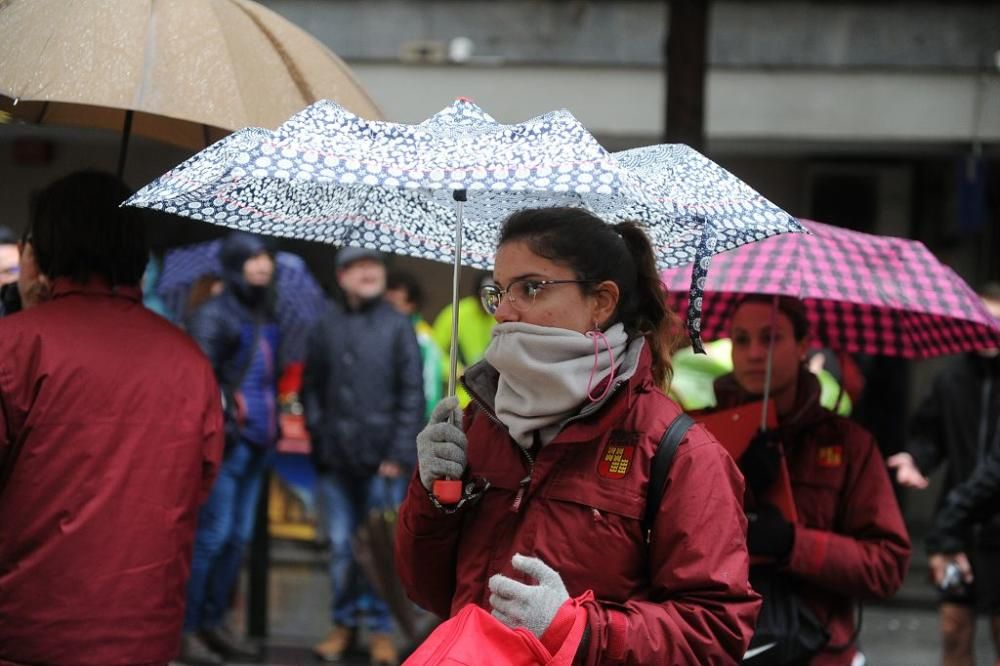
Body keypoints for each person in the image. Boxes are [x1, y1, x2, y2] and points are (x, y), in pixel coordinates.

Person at [397, 207, 760, 664]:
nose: (504, 311)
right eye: (499, 291)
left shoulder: (679, 452)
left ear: (601, 302)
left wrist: (578, 629)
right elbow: (426, 590)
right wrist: (434, 499)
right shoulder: (479, 423)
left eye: (530, 288)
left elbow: (717, 631)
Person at [0, 171, 223, 665]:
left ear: (42, 248)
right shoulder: (189, 362)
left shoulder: (15, 347)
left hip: (25, 632)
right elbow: (198, 484)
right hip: (144, 634)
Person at [709, 294, 910, 665]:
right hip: (720, 646)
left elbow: (886, 566)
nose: (754, 353)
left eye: (771, 338)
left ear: (803, 346)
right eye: (741, 339)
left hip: (817, 650)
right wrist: (734, 483)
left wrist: (793, 543)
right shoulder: (698, 434)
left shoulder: (849, 444)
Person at [304, 247, 424, 665]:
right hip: (335, 459)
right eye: (358, 265)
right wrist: (319, 437)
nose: (369, 271)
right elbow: (311, 389)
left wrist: (397, 451)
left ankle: (380, 630)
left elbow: (413, 394)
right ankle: (342, 624)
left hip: (384, 463)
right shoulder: (324, 325)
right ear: (341, 276)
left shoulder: (398, 326)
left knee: (380, 547)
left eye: (374, 264)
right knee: (340, 547)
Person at [181, 232, 284, 664]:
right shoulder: (213, 313)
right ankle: (187, 629)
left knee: (237, 539)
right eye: (252, 259)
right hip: (230, 442)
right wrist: (225, 427)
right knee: (213, 538)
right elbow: (201, 382)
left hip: (260, 440)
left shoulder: (264, 310)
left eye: (266, 258)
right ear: (234, 263)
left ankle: (215, 621)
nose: (261, 266)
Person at [889, 284, 1000, 666]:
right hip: (958, 528)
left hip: (993, 527)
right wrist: (915, 459)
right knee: (954, 627)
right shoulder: (952, 378)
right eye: (985, 319)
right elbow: (929, 434)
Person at [430, 270, 496, 406]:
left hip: (492, 401)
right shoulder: (455, 312)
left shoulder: (501, 316)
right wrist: (457, 371)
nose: (491, 302)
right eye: (485, 296)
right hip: (458, 400)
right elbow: (434, 352)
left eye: (496, 295)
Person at [386, 270, 445, 419]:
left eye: (393, 304)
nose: (387, 309)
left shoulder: (423, 339)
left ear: (411, 305)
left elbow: (430, 390)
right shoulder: (375, 331)